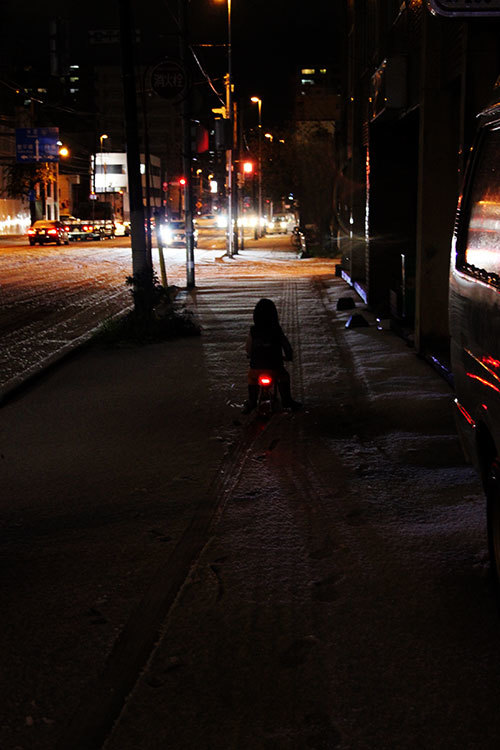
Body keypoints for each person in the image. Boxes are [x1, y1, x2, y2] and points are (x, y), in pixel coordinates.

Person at [242, 298, 302, 414]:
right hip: (275, 368)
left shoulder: (253, 331)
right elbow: (286, 346)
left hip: (256, 369)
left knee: (251, 378)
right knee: (284, 376)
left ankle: (252, 402)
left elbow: (248, 348)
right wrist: (289, 356)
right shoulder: (277, 330)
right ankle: (287, 401)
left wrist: (250, 355)